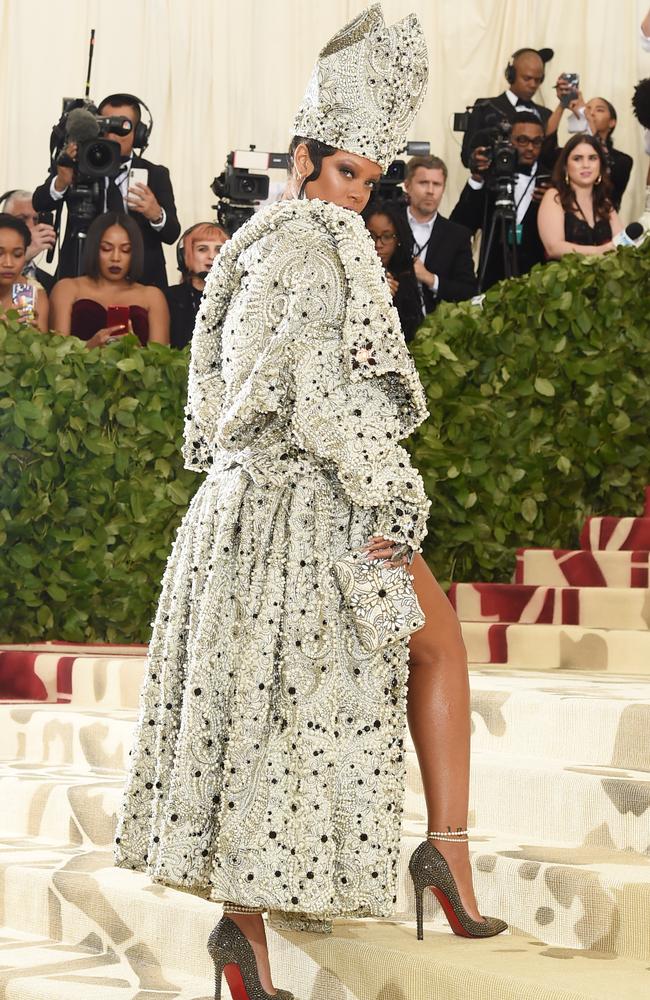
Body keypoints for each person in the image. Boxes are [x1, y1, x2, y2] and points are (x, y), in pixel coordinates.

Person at [114, 7, 506, 1000]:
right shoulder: (329, 251)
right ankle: (447, 854)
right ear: (300, 160)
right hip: (317, 505)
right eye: (344, 174)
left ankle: (242, 935)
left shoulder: (245, 254)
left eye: (369, 183)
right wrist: (391, 500)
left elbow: (207, 397)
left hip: (237, 512)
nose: (356, 197)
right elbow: (331, 406)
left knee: (259, 707)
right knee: (435, 643)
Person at [33, 93, 180, 290]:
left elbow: (172, 234)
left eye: (122, 129)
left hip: (141, 281)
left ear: (138, 134)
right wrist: (61, 181)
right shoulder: (77, 164)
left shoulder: (156, 174)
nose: (112, 136)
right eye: (105, 127)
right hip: (80, 272)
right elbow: (40, 202)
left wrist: (156, 214)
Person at [451, 114, 550, 290]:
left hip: (538, 283)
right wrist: (476, 179)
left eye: (537, 142)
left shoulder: (549, 181)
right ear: (508, 141)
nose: (530, 148)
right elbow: (461, 225)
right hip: (491, 281)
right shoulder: (490, 176)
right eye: (522, 140)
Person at [49, 212, 169, 348]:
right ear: (94, 248)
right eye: (106, 249)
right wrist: (89, 349)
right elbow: (56, 358)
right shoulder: (67, 289)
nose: (115, 258)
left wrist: (137, 352)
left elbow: (161, 362)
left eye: (125, 250)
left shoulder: (152, 296)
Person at [399, 155, 476, 313]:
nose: (430, 191)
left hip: (435, 327)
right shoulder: (389, 224)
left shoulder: (457, 235)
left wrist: (430, 279)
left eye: (437, 184)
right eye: (423, 183)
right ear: (407, 185)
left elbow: (468, 292)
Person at [543, 86, 633, 211]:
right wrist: (562, 105)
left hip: (604, 221)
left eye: (599, 110)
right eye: (588, 108)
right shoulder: (570, 155)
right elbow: (546, 147)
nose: (590, 113)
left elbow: (606, 176)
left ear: (612, 122)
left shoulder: (623, 160)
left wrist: (588, 117)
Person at [461, 48, 553, 168]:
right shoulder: (486, 107)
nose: (533, 85)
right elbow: (466, 156)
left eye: (538, 80)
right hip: (492, 184)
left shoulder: (546, 115)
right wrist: (475, 158)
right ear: (511, 75)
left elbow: (550, 160)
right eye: (527, 78)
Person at [537, 133, 622, 258]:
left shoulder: (604, 202)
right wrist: (601, 251)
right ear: (565, 166)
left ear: (601, 165)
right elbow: (554, 247)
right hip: (563, 276)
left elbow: (622, 244)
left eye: (592, 158)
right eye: (577, 159)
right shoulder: (554, 196)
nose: (586, 165)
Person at [362, 200, 423, 341]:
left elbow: (411, 327)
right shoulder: (350, 270)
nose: (378, 244)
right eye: (371, 235)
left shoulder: (404, 272)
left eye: (387, 236)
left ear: (398, 240)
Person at [166, 222, 228, 349]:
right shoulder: (168, 298)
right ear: (184, 256)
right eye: (202, 249)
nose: (212, 256)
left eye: (219, 250)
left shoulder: (239, 298)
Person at [1, 189, 57, 293]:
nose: (31, 226)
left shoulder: (49, 283)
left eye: (36, 220)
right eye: (22, 219)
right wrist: (23, 257)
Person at [0, 214, 49, 332]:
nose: (8, 263)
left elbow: (42, 346)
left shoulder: (33, 293)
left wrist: (35, 334)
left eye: (17, 254)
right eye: (0, 254)